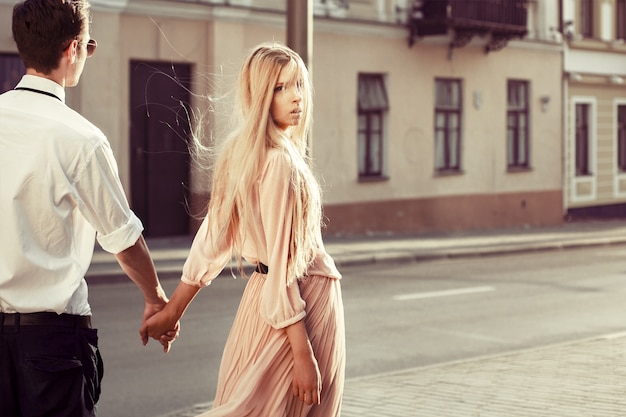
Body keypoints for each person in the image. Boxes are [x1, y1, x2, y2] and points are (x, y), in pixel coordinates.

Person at [140, 41, 346, 416]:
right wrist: (303, 354)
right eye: (281, 88)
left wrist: (174, 310)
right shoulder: (279, 162)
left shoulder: (246, 155)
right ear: (261, 96)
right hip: (300, 306)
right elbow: (280, 266)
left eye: (299, 84)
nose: (296, 97)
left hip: (265, 302)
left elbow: (213, 240)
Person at [0, 0, 177, 415]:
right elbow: (123, 238)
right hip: (52, 345)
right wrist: (155, 299)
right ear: (71, 48)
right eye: (88, 46)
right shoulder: (81, 139)